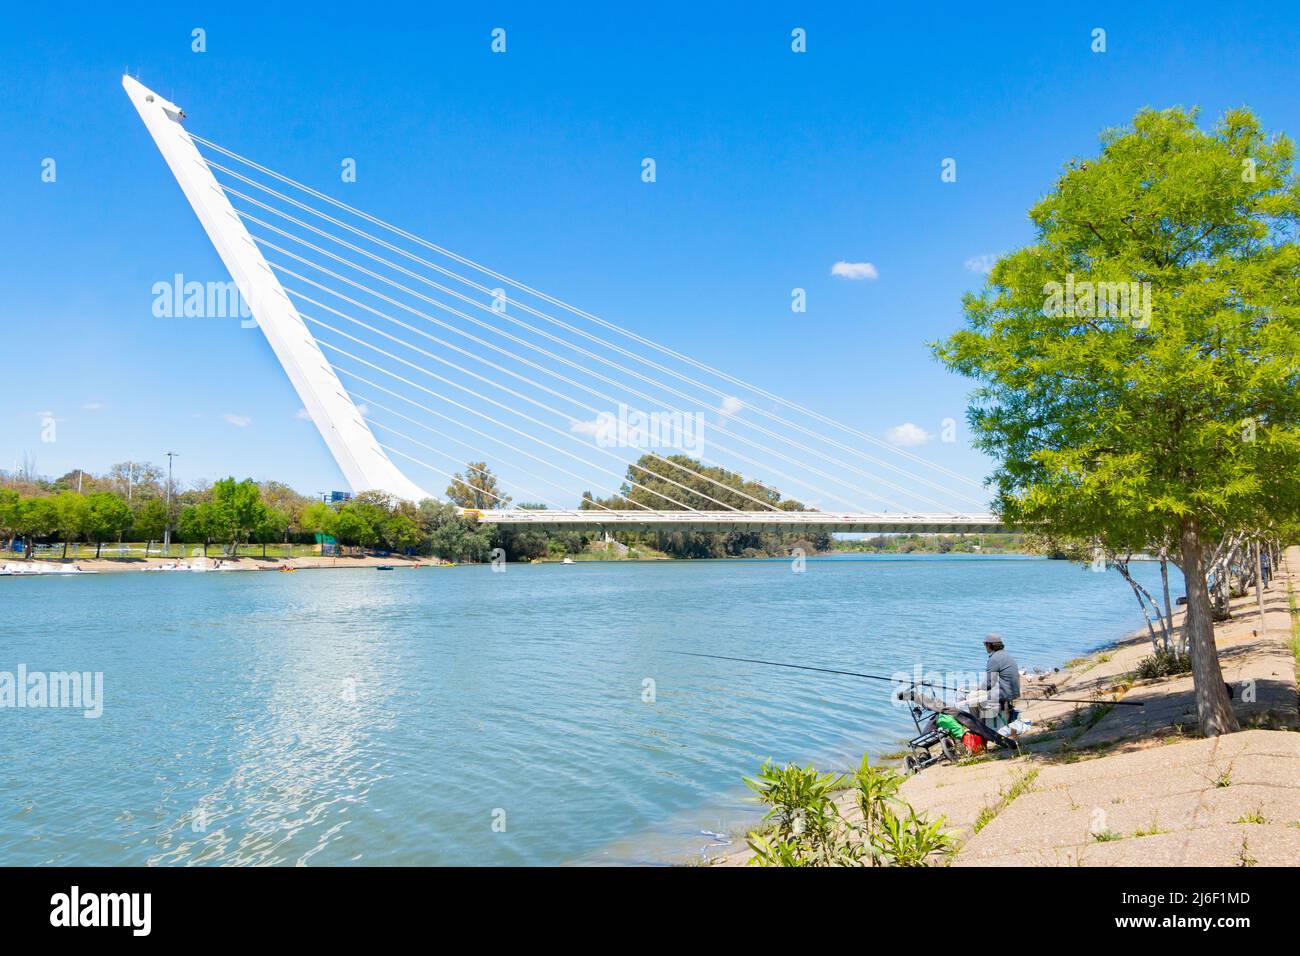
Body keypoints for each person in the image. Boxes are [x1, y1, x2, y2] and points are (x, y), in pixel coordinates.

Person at [980, 633, 1021, 725]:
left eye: (985, 644)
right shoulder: (1006, 655)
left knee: (973, 699)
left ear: (989, 645)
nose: (985, 647)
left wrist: (979, 689)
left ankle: (980, 726)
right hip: (1013, 691)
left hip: (1005, 693)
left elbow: (988, 683)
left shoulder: (994, 659)